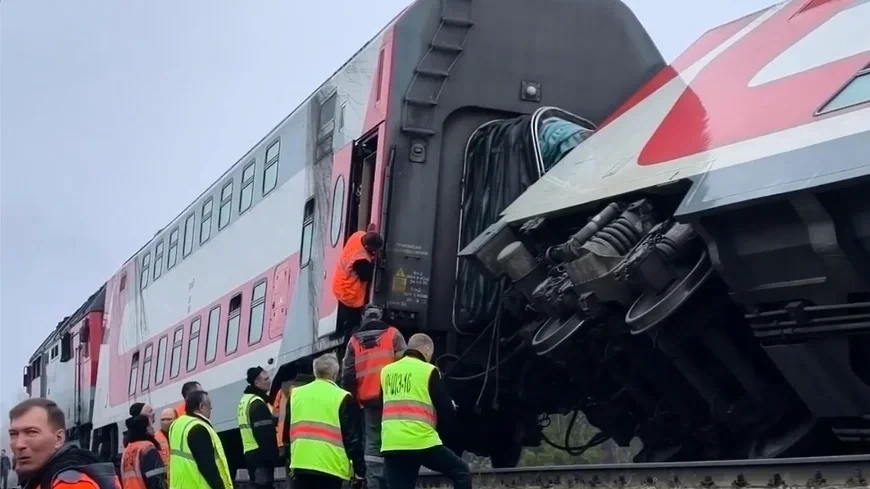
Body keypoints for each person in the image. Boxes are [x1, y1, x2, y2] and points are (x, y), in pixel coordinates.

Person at [380, 334, 471, 489]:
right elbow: (446, 410)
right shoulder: (428, 370)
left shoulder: (386, 371)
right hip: (422, 442)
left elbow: (383, 402)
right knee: (462, 472)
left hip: (392, 443)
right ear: (427, 350)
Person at [341, 303, 406, 489]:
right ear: (380, 316)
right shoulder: (393, 334)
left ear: (363, 318)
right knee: (394, 436)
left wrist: (352, 397)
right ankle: (395, 479)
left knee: (372, 442)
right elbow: (405, 362)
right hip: (393, 397)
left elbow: (347, 372)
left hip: (367, 399)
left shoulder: (353, 341)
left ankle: (374, 482)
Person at [283, 353, 365, 489]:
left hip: (301, 465)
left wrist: (290, 461)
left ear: (315, 372)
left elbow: (287, 435)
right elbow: (352, 438)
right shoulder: (342, 397)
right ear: (335, 374)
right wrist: (359, 470)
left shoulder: (296, 395)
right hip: (330, 468)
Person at [8, 398, 121, 489]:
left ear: (58, 439)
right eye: (13, 434)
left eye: (31, 432)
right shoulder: (43, 478)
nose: (19, 444)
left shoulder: (71, 484)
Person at [168, 391, 231, 489]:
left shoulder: (176, 425)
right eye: (209, 405)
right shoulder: (198, 428)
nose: (211, 408)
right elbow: (208, 466)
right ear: (201, 407)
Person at [332, 230, 384, 330]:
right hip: (349, 293)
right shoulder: (361, 259)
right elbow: (366, 277)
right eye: (375, 250)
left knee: (349, 320)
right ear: (367, 247)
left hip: (340, 282)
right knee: (353, 323)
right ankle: (350, 340)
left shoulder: (358, 235)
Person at [238, 366, 280, 489]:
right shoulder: (258, 404)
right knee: (263, 485)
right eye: (266, 379)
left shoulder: (245, 400)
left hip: (250, 453)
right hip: (261, 456)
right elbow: (266, 436)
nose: (269, 381)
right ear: (257, 383)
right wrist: (274, 459)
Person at [119, 414, 167, 489]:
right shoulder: (147, 448)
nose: (153, 428)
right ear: (146, 429)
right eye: (150, 426)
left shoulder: (127, 451)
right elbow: (157, 479)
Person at [156, 409, 176, 476]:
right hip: (165, 480)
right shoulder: (155, 438)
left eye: (168, 419)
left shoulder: (181, 435)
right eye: (163, 419)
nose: (165, 422)